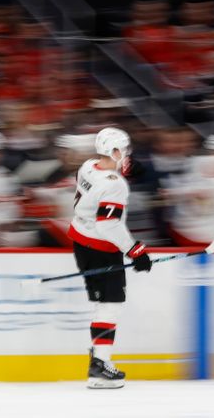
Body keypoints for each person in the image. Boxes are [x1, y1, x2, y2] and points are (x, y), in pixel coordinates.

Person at [67, 127, 152, 389]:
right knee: (110, 305)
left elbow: (99, 182)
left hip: (80, 238)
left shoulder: (88, 165)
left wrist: (121, 169)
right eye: (124, 150)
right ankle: (100, 367)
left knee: (105, 303)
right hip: (101, 246)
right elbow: (108, 226)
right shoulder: (115, 186)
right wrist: (134, 250)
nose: (127, 155)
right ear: (114, 151)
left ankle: (98, 358)